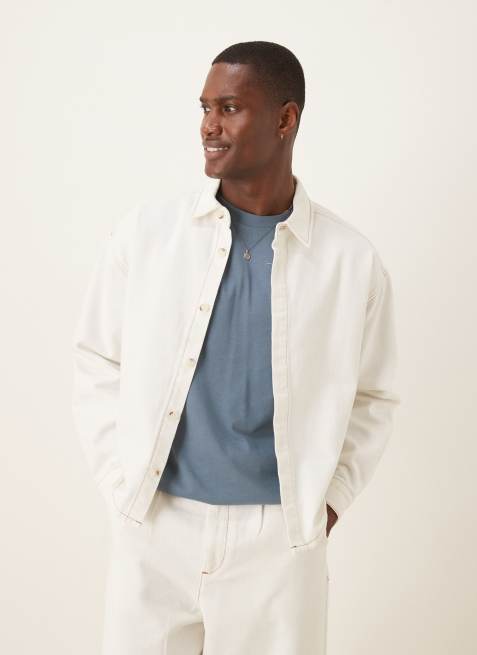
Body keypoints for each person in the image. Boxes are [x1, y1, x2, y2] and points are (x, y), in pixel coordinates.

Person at [71, 40, 400, 655]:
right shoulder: (146, 236)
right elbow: (97, 359)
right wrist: (121, 483)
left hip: (277, 542)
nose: (208, 127)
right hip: (156, 527)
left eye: (229, 108)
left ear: (285, 119)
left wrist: (324, 505)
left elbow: (373, 397)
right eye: (204, 108)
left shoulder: (349, 261)